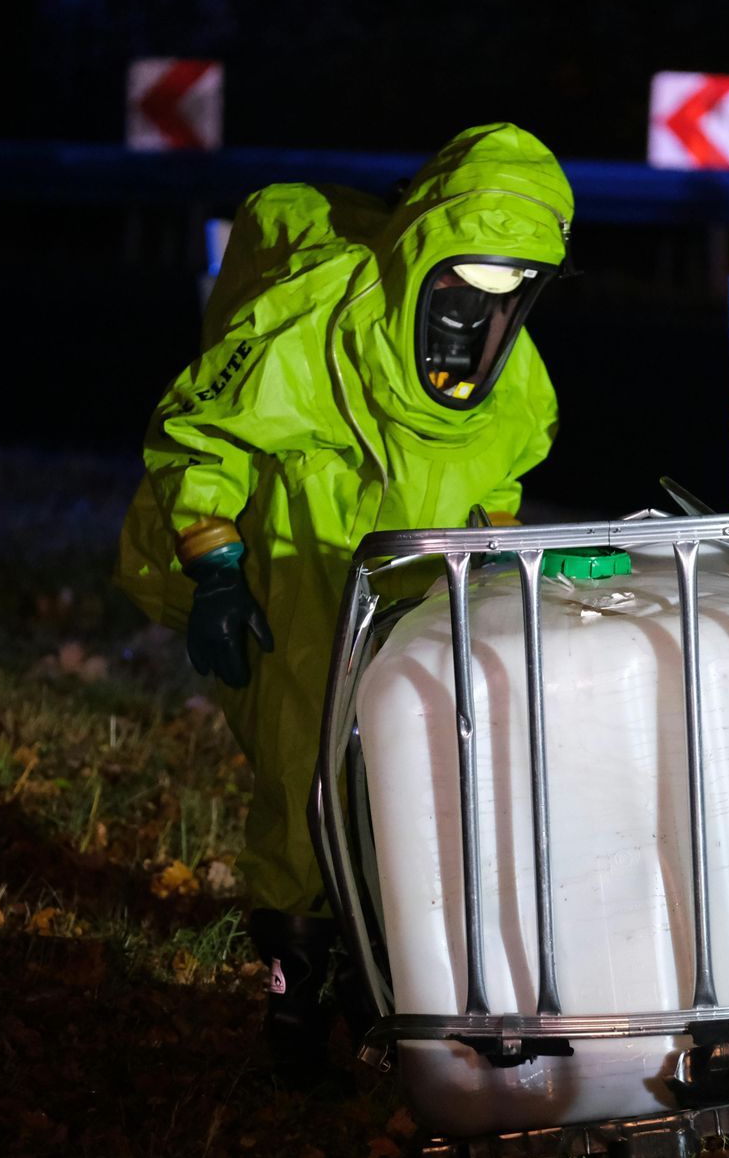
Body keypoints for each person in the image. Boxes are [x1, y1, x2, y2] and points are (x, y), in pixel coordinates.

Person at [117, 123, 571, 1068]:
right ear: (420, 257)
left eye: (506, 297)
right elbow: (201, 432)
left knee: (413, 784)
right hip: (302, 575)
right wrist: (213, 564)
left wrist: (488, 573)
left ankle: (384, 981)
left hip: (421, 607)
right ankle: (296, 994)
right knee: (303, 777)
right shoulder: (310, 320)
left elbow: (502, 483)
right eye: (461, 288)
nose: (474, 322)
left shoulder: (517, 384)